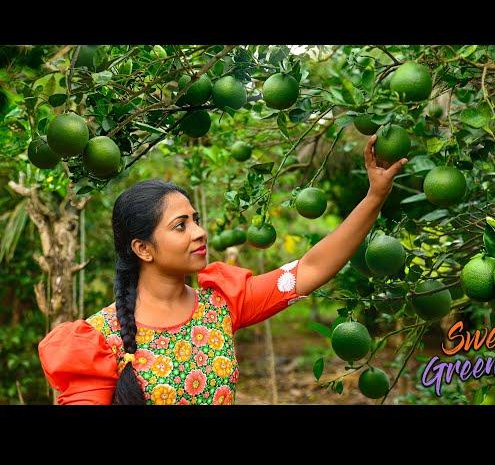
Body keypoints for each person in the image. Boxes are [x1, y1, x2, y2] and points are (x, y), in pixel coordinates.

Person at [38, 135, 408, 405]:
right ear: (143, 249)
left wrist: (375, 196)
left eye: (196, 220)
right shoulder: (99, 340)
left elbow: (310, 267)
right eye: (181, 225)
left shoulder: (221, 305)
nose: (200, 232)